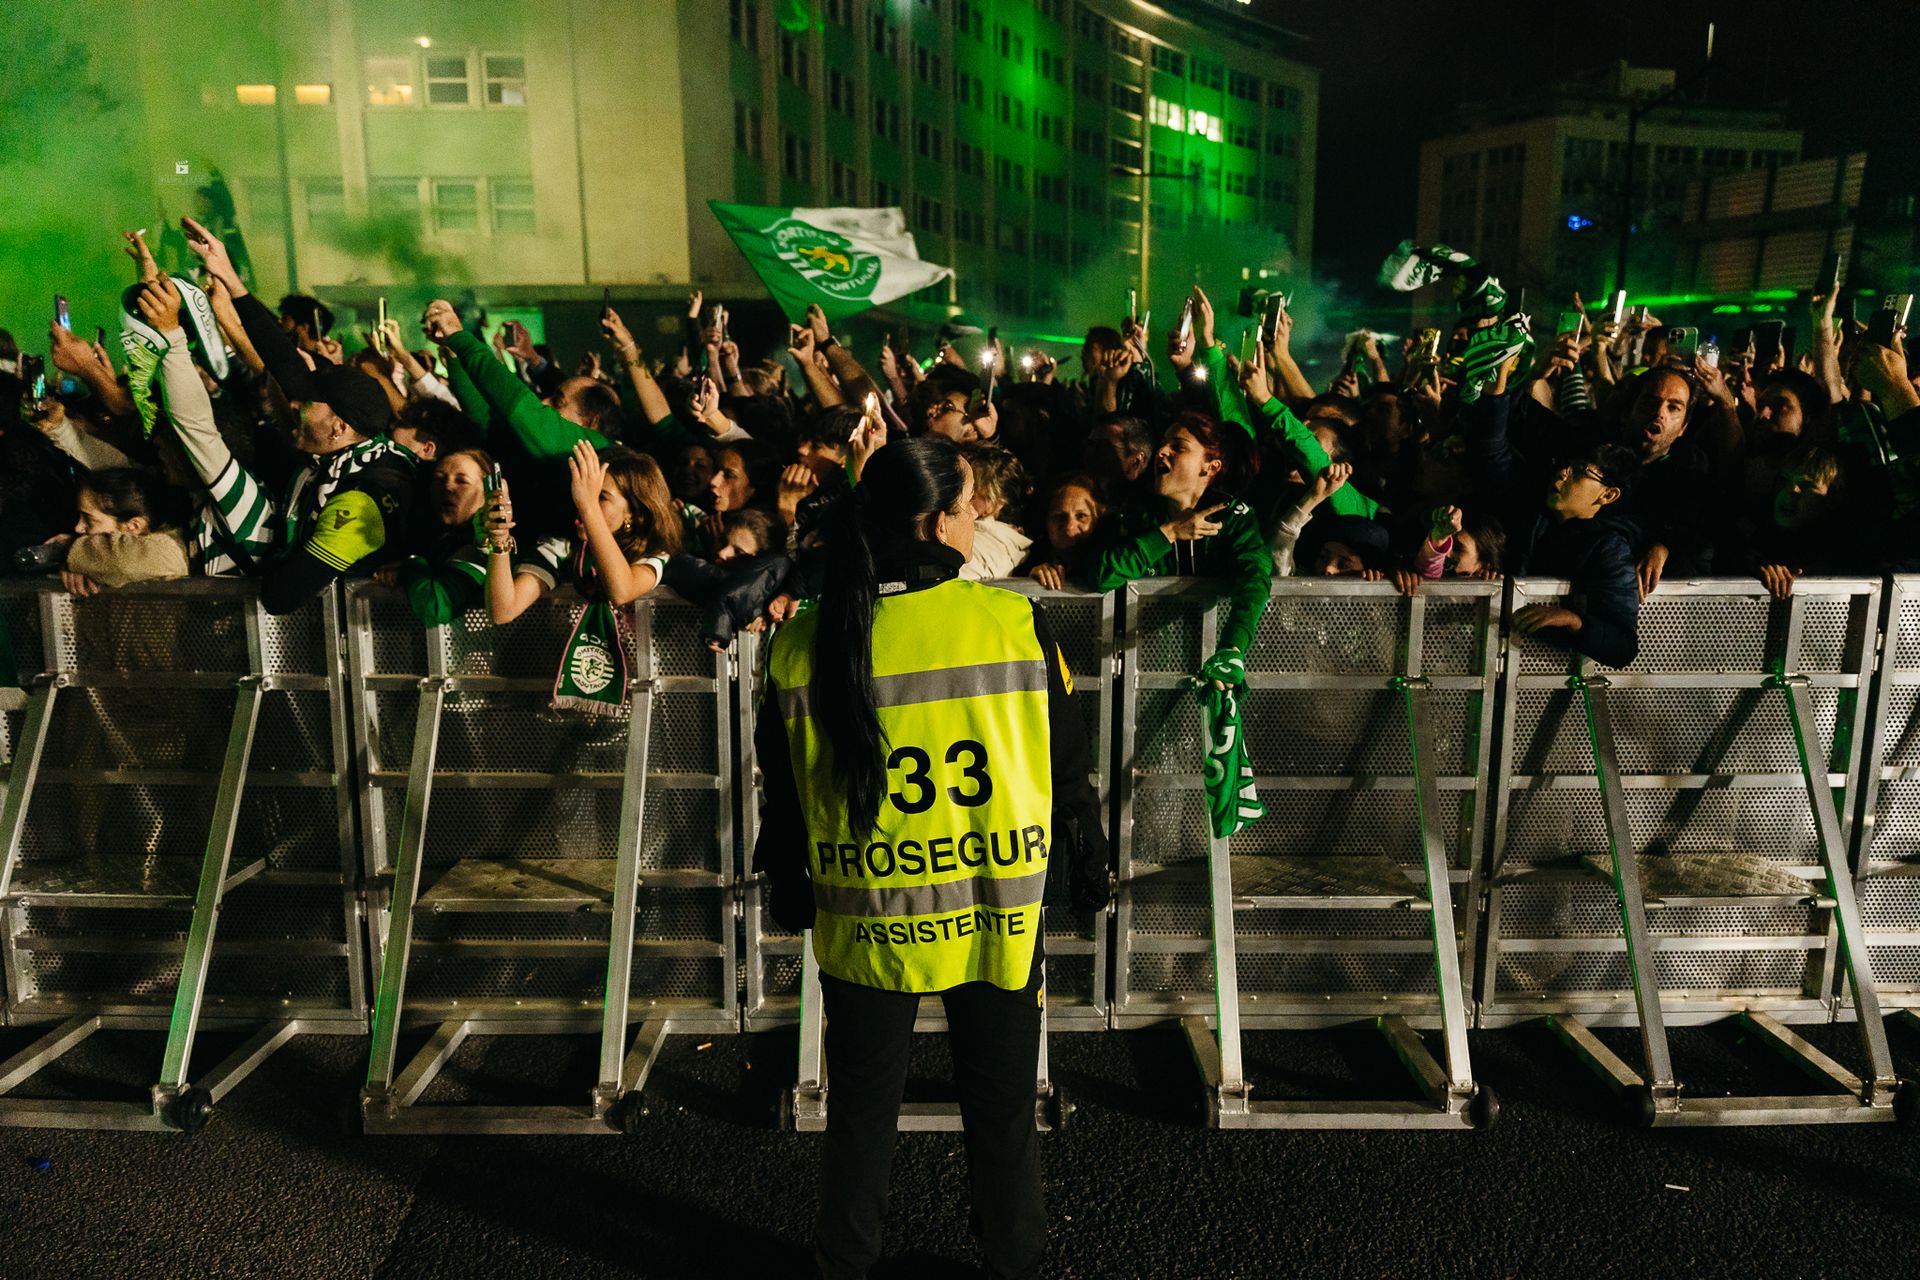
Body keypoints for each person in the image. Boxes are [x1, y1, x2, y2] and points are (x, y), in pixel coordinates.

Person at [753, 437, 1107, 1280]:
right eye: (969, 506)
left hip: (866, 918)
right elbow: (1066, 766)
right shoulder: (1012, 620)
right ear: (938, 520)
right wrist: (1086, 864)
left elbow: (784, 788)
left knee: (861, 1116)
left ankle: (844, 1263)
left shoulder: (803, 638)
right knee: (1002, 1111)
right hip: (993, 912)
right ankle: (1012, 1261)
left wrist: (790, 887)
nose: (978, 516)